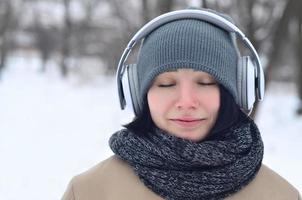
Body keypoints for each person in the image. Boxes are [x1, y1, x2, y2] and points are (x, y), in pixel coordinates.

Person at [61, 8, 301, 200]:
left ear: (237, 90)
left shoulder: (282, 196)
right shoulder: (88, 193)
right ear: (136, 92)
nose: (186, 102)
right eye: (166, 84)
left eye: (206, 82)